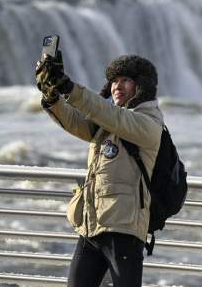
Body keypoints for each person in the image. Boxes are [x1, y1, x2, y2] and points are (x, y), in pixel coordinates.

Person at [35, 53, 163, 287]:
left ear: (141, 85)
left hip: (124, 229)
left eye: (126, 80)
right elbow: (77, 122)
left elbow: (106, 113)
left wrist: (69, 87)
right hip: (92, 223)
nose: (117, 86)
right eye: (114, 81)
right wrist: (51, 94)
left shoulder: (148, 123)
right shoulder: (110, 120)